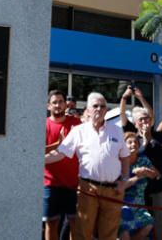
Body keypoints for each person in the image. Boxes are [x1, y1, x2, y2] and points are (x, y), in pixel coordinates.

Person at [50, 92, 131, 240]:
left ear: (106, 110)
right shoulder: (79, 131)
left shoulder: (116, 130)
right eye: (95, 106)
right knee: (83, 232)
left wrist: (124, 180)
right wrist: (37, 161)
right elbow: (60, 153)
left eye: (102, 106)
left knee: (109, 234)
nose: (99, 109)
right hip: (88, 189)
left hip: (113, 190)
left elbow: (125, 157)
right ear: (87, 110)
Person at [45, 89, 82, 240]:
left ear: (66, 104)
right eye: (54, 102)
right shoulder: (43, 125)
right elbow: (35, 153)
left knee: (75, 223)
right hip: (49, 183)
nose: (58, 105)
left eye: (61, 102)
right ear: (48, 106)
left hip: (73, 183)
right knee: (51, 223)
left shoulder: (76, 123)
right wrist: (57, 145)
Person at [133, 107, 162, 240]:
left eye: (146, 118)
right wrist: (144, 141)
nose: (144, 121)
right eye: (140, 119)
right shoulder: (133, 140)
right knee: (141, 224)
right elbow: (134, 157)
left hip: (159, 187)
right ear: (135, 123)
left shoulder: (160, 136)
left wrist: (148, 138)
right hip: (139, 189)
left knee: (160, 223)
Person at [119, 132, 158, 240]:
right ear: (123, 145)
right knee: (124, 232)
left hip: (139, 205)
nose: (133, 144)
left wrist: (147, 172)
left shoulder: (143, 160)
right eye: (130, 142)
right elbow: (119, 187)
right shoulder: (120, 162)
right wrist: (137, 177)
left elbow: (156, 175)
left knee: (149, 224)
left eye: (135, 142)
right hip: (122, 205)